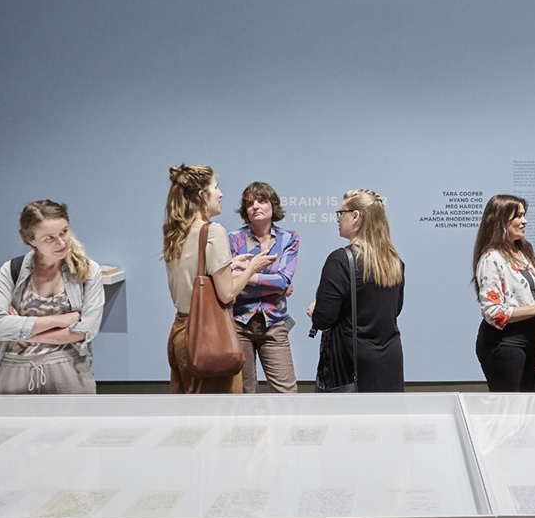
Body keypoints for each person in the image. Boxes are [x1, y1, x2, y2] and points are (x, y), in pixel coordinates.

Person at [163, 165, 276, 394]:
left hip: (180, 333)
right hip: (207, 338)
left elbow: (195, 276)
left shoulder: (175, 231)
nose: (221, 193)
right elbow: (227, 292)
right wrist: (252, 267)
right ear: (202, 195)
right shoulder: (213, 231)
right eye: (215, 187)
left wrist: (230, 265)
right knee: (220, 417)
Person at [0, 200, 103, 396]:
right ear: (31, 240)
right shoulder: (12, 269)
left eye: (64, 232)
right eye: (49, 238)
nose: (61, 242)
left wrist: (22, 330)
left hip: (68, 371)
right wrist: (58, 321)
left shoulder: (88, 270)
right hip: (13, 371)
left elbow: (85, 331)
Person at [309, 189, 406, 392]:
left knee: (349, 422)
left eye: (340, 213)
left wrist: (314, 311)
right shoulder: (394, 261)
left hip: (351, 363)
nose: (337, 219)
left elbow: (323, 320)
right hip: (390, 359)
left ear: (355, 217)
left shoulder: (340, 260)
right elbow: (393, 311)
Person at [471, 194, 535, 392]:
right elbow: (493, 312)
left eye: (524, 215)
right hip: (505, 347)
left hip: (531, 343)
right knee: (508, 410)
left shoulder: (523, 252)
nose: (525, 221)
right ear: (500, 221)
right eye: (518, 216)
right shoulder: (491, 258)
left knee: (527, 407)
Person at [228, 182, 299, 393]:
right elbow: (228, 282)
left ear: (272, 205)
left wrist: (246, 274)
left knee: (287, 393)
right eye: (249, 203)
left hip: (273, 322)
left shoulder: (288, 238)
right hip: (238, 322)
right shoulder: (233, 239)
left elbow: (284, 281)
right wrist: (273, 286)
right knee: (244, 393)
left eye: (261, 201)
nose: (255, 207)